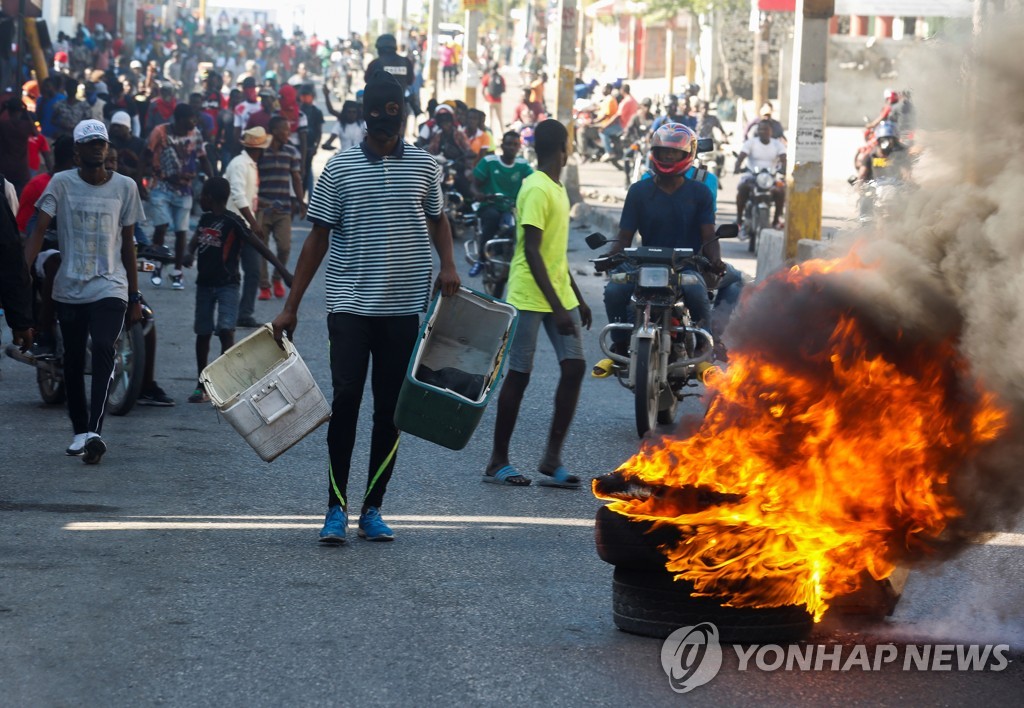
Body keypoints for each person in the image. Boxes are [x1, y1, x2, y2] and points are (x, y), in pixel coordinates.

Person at [272, 70, 460, 545]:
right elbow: (317, 238)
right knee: (348, 403)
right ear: (363, 118)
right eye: (376, 120)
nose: (383, 129)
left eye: (391, 120)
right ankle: (335, 508)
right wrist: (290, 306)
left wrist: (449, 266)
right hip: (350, 307)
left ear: (403, 119)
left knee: (391, 412)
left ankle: (372, 508)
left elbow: (438, 220)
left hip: (403, 310)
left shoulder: (425, 166)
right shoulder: (339, 168)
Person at [24, 120, 144, 464]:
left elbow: (128, 245)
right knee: (73, 361)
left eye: (101, 143)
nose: (97, 148)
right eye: (89, 143)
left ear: (107, 148)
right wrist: (20, 274)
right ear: (77, 151)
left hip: (110, 284)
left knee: (105, 346)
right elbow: (38, 230)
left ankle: (94, 431)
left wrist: (134, 296)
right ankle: (80, 431)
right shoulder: (60, 184)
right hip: (69, 286)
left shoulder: (125, 187)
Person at [483, 119, 591, 489]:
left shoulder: (557, 188)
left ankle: (551, 458)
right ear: (563, 147)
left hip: (558, 293)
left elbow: (554, 253)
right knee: (520, 374)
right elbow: (531, 251)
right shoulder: (535, 188)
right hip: (529, 296)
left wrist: (574, 297)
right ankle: (498, 460)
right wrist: (560, 308)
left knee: (575, 366)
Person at [594, 123, 723, 374]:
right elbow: (624, 236)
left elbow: (709, 234)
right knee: (614, 290)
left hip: (685, 265)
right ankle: (620, 345)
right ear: (654, 152)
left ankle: (701, 349)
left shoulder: (700, 193)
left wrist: (715, 261)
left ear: (687, 155)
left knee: (697, 293)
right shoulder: (639, 191)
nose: (668, 157)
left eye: (674, 153)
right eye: (663, 152)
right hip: (644, 263)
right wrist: (610, 256)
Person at [184, 177, 292, 403]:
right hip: (204, 285)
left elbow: (261, 247)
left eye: (202, 195)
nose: (199, 198)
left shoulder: (233, 222)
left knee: (226, 330)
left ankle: (226, 384)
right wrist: (187, 253)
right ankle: (200, 384)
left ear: (210, 198)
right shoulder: (204, 219)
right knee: (202, 333)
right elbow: (195, 240)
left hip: (227, 285)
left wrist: (282, 271)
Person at [147, 103, 213, 289]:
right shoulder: (160, 132)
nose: (195, 121)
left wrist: (213, 180)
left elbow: (203, 158)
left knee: (181, 231)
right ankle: (158, 263)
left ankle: (177, 271)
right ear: (180, 119)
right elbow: (146, 154)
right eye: (192, 118)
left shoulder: (196, 134)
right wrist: (138, 181)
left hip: (184, 189)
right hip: (160, 185)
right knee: (161, 226)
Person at [468, 130, 533, 277]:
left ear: (519, 147)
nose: (512, 147)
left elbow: (534, 180)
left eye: (515, 144)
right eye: (509, 144)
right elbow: (473, 184)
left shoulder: (522, 164)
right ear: (502, 145)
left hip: (510, 207)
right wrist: (479, 195)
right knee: (492, 217)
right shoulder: (489, 162)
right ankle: (481, 259)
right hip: (489, 204)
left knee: (517, 227)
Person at [225, 126, 271, 328]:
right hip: (236, 225)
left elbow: (246, 194)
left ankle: (244, 313)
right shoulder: (240, 164)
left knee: (252, 271)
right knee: (232, 272)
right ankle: (232, 313)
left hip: (244, 224)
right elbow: (237, 194)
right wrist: (253, 223)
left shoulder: (248, 163)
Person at [255, 116, 304, 302]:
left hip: (283, 208)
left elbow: (296, 179)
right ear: (274, 131)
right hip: (262, 208)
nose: (288, 133)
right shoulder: (260, 152)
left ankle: (277, 277)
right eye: (285, 129)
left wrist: (301, 202)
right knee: (261, 247)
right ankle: (264, 285)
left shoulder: (291, 151)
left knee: (284, 247)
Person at [735, 120, 787, 229]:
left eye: (765, 129)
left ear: (771, 131)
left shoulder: (777, 144)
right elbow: (741, 157)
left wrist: (784, 169)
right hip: (751, 175)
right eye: (760, 129)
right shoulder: (751, 143)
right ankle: (739, 219)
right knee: (742, 188)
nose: (762, 131)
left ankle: (776, 219)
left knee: (781, 191)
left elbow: (783, 159)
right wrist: (738, 166)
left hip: (770, 177)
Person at [0, 98, 39, 195]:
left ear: (8, 111)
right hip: (21, 169)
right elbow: (36, 133)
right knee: (20, 198)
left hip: (5, 168)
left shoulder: (4, 125)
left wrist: (2, 109)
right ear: (20, 111)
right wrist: (26, 111)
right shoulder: (26, 126)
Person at [297, 84, 325, 197]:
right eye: (303, 95)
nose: (305, 98)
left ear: (313, 96)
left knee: (306, 172)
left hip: (309, 147)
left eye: (307, 95)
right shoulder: (297, 110)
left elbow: (319, 132)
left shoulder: (317, 112)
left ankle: (304, 196)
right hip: (297, 147)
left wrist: (315, 147)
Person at [600, 83, 638, 162]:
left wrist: (605, 126)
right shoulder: (633, 100)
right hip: (630, 125)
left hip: (623, 126)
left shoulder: (625, 101)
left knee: (602, 132)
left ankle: (609, 152)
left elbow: (617, 116)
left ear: (622, 91)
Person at [480, 63, 506, 131]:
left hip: (489, 100)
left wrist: (485, 99)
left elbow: (482, 91)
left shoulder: (487, 76)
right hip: (498, 101)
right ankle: (501, 134)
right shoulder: (500, 77)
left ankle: (489, 134)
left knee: (488, 119)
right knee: (499, 118)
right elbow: (503, 89)